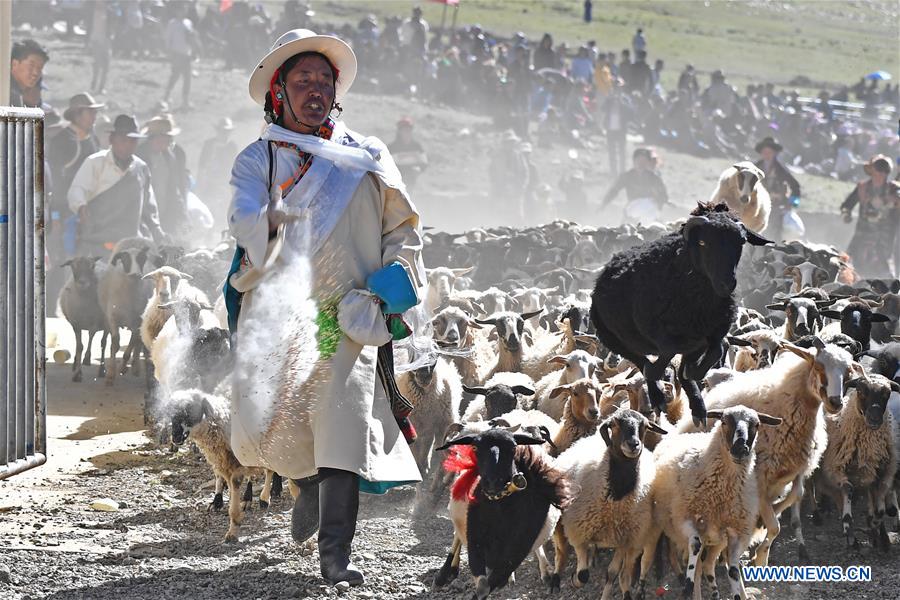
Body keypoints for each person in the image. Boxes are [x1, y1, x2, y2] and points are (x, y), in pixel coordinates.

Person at [227, 29, 424, 586]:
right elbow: (245, 225)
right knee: (279, 429)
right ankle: (307, 485)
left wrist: (395, 282)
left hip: (349, 314)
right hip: (282, 316)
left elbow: (402, 229)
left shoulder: (367, 157)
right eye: (302, 80)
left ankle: (336, 555)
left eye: (324, 80)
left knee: (342, 426)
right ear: (279, 93)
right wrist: (277, 214)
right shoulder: (256, 162)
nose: (315, 89)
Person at [68, 115, 166, 257]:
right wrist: (81, 206)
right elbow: (77, 189)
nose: (127, 145)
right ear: (112, 140)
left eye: (132, 141)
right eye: (123, 140)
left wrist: (157, 231)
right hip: (96, 241)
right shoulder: (95, 162)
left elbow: (149, 207)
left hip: (130, 244)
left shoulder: (141, 168)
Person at [46, 92, 105, 303]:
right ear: (78, 114)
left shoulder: (93, 140)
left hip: (87, 213)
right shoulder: (63, 141)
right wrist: (55, 217)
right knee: (61, 261)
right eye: (90, 112)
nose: (94, 117)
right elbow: (55, 183)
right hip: (64, 213)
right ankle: (54, 306)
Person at [840, 155, 900, 278]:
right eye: (879, 170)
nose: (881, 174)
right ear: (872, 171)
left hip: (884, 234)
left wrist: (886, 201)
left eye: (885, 171)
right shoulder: (863, 187)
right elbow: (847, 205)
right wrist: (847, 214)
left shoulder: (893, 188)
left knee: (882, 264)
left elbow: (898, 200)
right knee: (851, 260)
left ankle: (887, 289)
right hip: (863, 231)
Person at [137, 115, 191, 244]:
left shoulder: (168, 157)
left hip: (165, 215)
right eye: (166, 137)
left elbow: (174, 189)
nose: (168, 141)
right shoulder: (139, 157)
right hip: (142, 217)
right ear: (154, 138)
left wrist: (183, 214)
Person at [601, 147, 669, 223]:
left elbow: (663, 196)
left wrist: (658, 202)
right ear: (634, 161)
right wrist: (604, 204)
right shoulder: (627, 176)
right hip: (632, 210)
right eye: (639, 161)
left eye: (644, 161)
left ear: (647, 163)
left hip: (650, 211)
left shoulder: (654, 178)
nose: (641, 164)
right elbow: (614, 190)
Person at [754, 137, 801, 242]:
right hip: (757, 204)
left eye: (769, 152)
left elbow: (795, 186)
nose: (766, 155)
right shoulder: (755, 167)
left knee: (775, 229)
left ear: (774, 153)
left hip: (777, 205)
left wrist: (793, 204)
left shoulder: (781, 170)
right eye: (764, 152)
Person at [198, 116, 239, 227]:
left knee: (224, 207)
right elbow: (202, 166)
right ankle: (208, 231)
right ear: (218, 131)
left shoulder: (231, 146)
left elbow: (234, 166)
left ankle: (221, 229)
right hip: (210, 181)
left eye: (227, 131)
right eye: (223, 131)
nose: (225, 134)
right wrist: (201, 182)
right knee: (209, 206)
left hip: (224, 181)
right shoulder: (209, 145)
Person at [163, 3, 198, 110]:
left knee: (187, 78)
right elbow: (168, 38)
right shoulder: (172, 23)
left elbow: (192, 38)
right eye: (181, 10)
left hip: (186, 53)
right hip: (176, 53)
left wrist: (193, 50)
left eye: (184, 9)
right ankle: (166, 97)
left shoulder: (188, 23)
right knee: (175, 76)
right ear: (176, 11)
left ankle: (185, 101)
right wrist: (169, 52)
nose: (183, 12)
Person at [602, 80, 634, 176]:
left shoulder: (625, 99)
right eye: (615, 87)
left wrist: (621, 102)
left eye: (619, 88)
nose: (617, 89)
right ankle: (613, 171)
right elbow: (602, 109)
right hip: (611, 128)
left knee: (622, 151)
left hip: (621, 128)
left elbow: (631, 112)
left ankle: (622, 171)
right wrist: (610, 101)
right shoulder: (609, 99)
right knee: (612, 151)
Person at [388, 117, 428, 191]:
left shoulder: (417, 146)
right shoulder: (391, 148)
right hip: (396, 181)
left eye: (409, 130)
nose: (407, 132)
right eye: (405, 130)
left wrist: (419, 169)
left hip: (412, 181)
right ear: (399, 131)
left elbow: (424, 162)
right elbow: (386, 165)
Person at [10, 39, 49, 108]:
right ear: (15, 64)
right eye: (31, 65)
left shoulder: (22, 97)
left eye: (40, 68)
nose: (35, 73)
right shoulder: (6, 93)